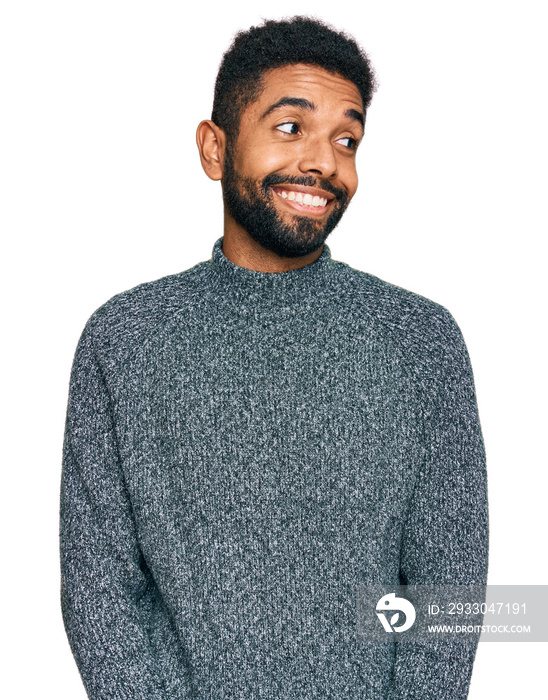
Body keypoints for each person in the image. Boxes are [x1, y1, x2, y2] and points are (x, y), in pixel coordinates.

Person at [60, 16, 489, 700]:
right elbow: (100, 589)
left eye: (346, 140)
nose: (324, 162)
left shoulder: (420, 340)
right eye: (291, 128)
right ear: (214, 148)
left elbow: (450, 589)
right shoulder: (126, 338)